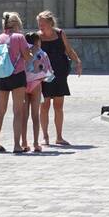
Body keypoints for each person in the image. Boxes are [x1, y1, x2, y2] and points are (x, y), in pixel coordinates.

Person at [0, 12, 34, 153]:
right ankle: (16, 145)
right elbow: (27, 57)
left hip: (1, 75)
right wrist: (30, 52)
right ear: (16, 24)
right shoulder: (19, 37)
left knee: (0, 110)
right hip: (17, 75)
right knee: (18, 111)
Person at [36, 11, 81, 146]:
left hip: (60, 74)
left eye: (42, 24)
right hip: (44, 75)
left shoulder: (60, 33)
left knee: (58, 106)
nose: (40, 26)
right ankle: (45, 136)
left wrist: (78, 62)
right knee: (44, 106)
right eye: (39, 24)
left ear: (50, 23)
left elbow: (68, 50)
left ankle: (59, 137)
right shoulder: (37, 37)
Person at [23, 32, 54, 152]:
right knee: (35, 115)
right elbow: (49, 72)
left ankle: (24, 142)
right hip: (36, 84)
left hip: (24, 84)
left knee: (23, 116)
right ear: (38, 41)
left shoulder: (24, 52)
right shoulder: (42, 53)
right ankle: (36, 143)